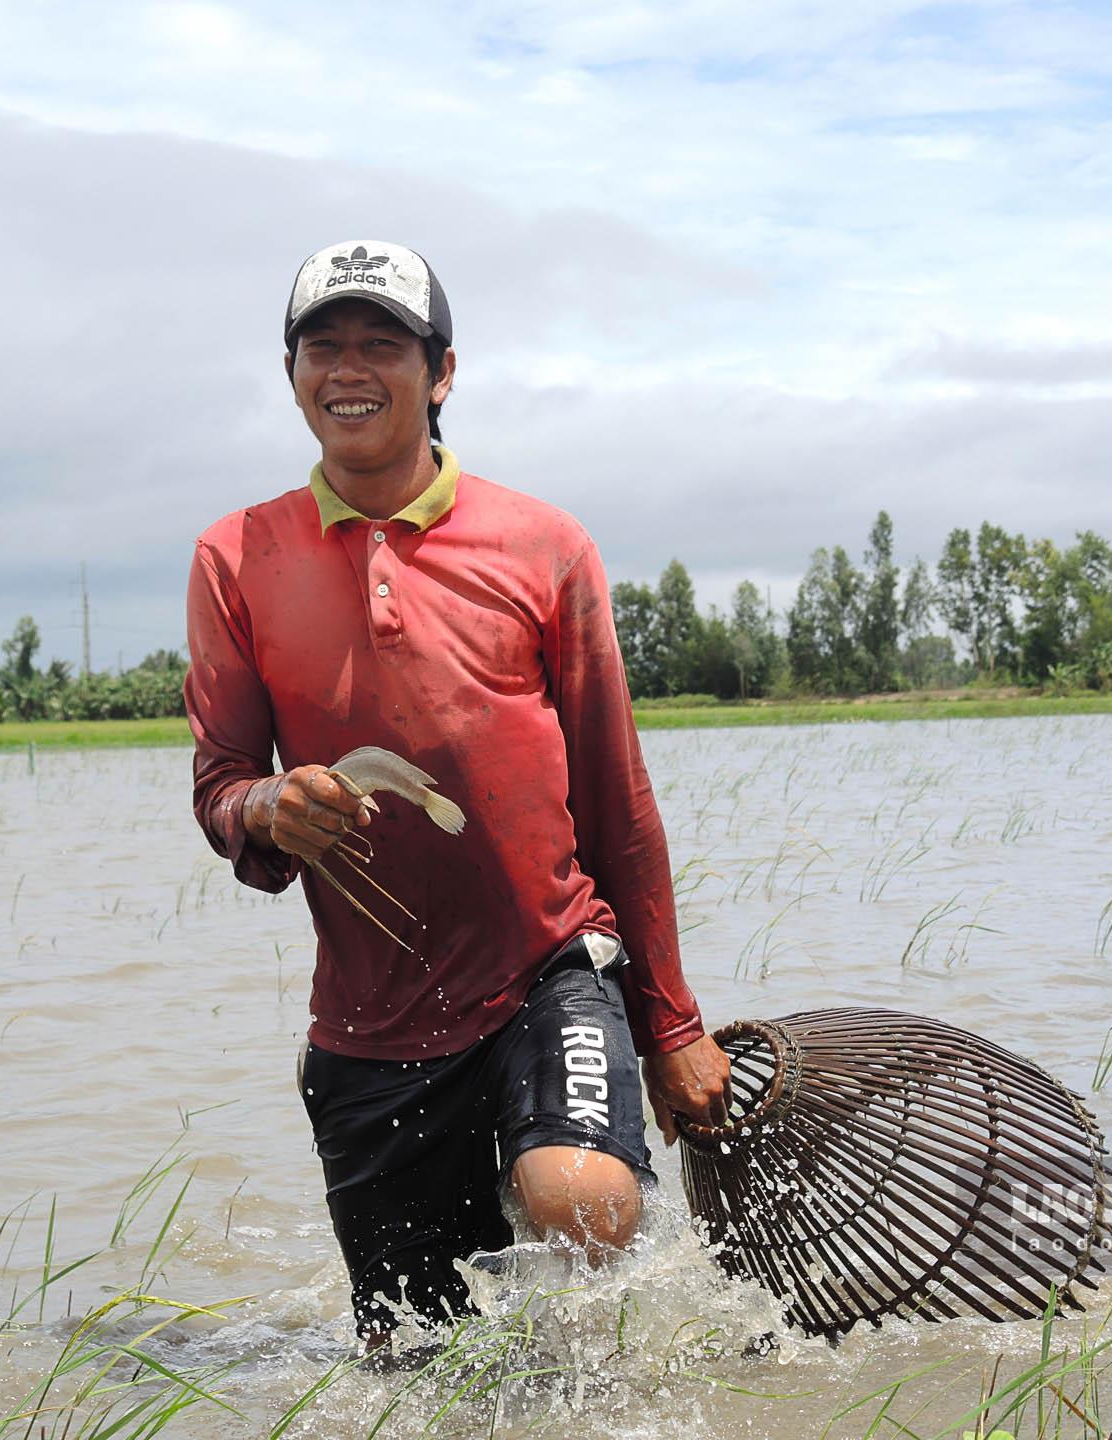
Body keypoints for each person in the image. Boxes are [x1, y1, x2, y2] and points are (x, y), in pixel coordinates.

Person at [184, 239, 732, 1343]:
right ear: (291, 375)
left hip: (548, 967)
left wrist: (671, 1021)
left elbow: (617, 802)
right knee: (414, 1363)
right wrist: (269, 809)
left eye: (382, 344)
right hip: (371, 1019)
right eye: (322, 346)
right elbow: (222, 786)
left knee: (581, 1202)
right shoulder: (236, 556)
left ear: (440, 372)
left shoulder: (543, 546)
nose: (350, 368)